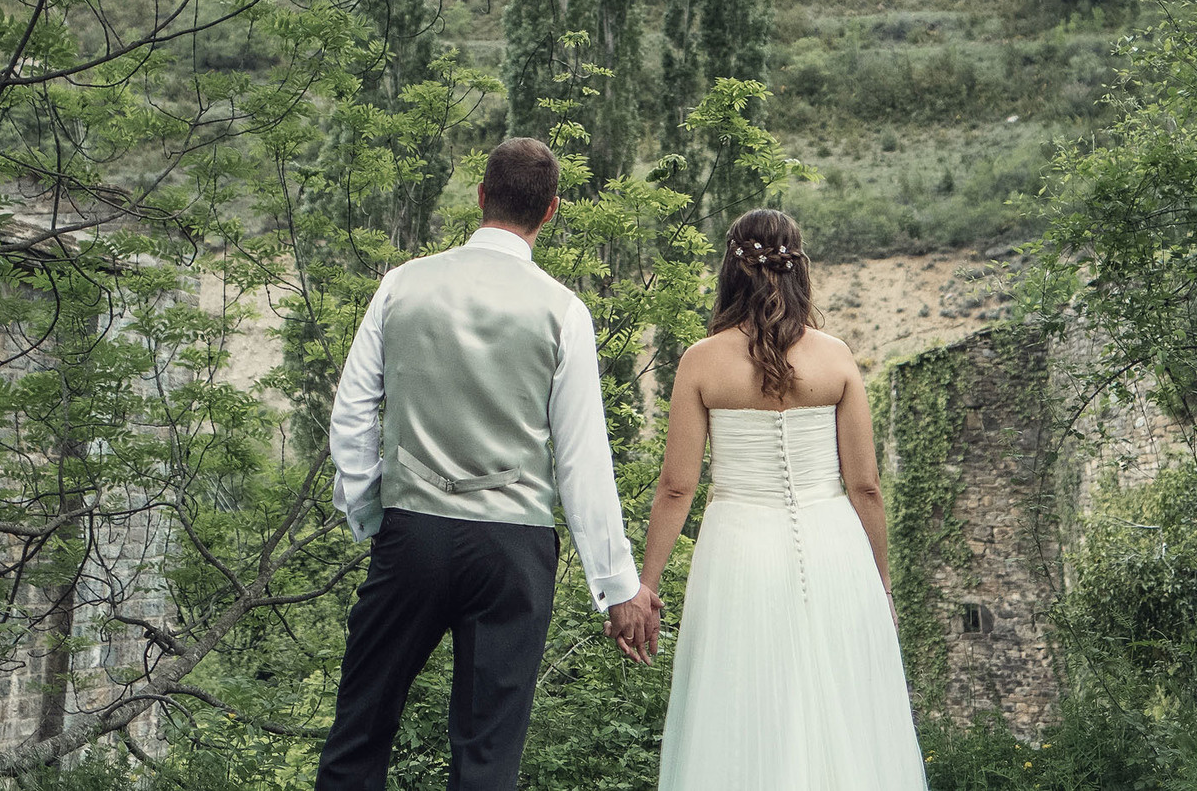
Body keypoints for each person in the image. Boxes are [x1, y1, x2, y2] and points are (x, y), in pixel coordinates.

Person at [317, 136, 663, 790]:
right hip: (512, 548)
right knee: (486, 759)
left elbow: (353, 412)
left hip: (412, 531)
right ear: (551, 210)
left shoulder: (400, 285)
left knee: (358, 733)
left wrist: (371, 515)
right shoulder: (564, 310)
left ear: (480, 195)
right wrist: (617, 588)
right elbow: (583, 460)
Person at [638, 208, 931, 791]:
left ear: (730, 269)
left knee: (742, 706)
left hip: (738, 550)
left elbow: (677, 486)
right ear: (799, 267)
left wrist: (646, 585)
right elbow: (865, 485)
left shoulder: (701, 361)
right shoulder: (836, 357)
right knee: (842, 707)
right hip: (835, 549)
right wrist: (882, 587)